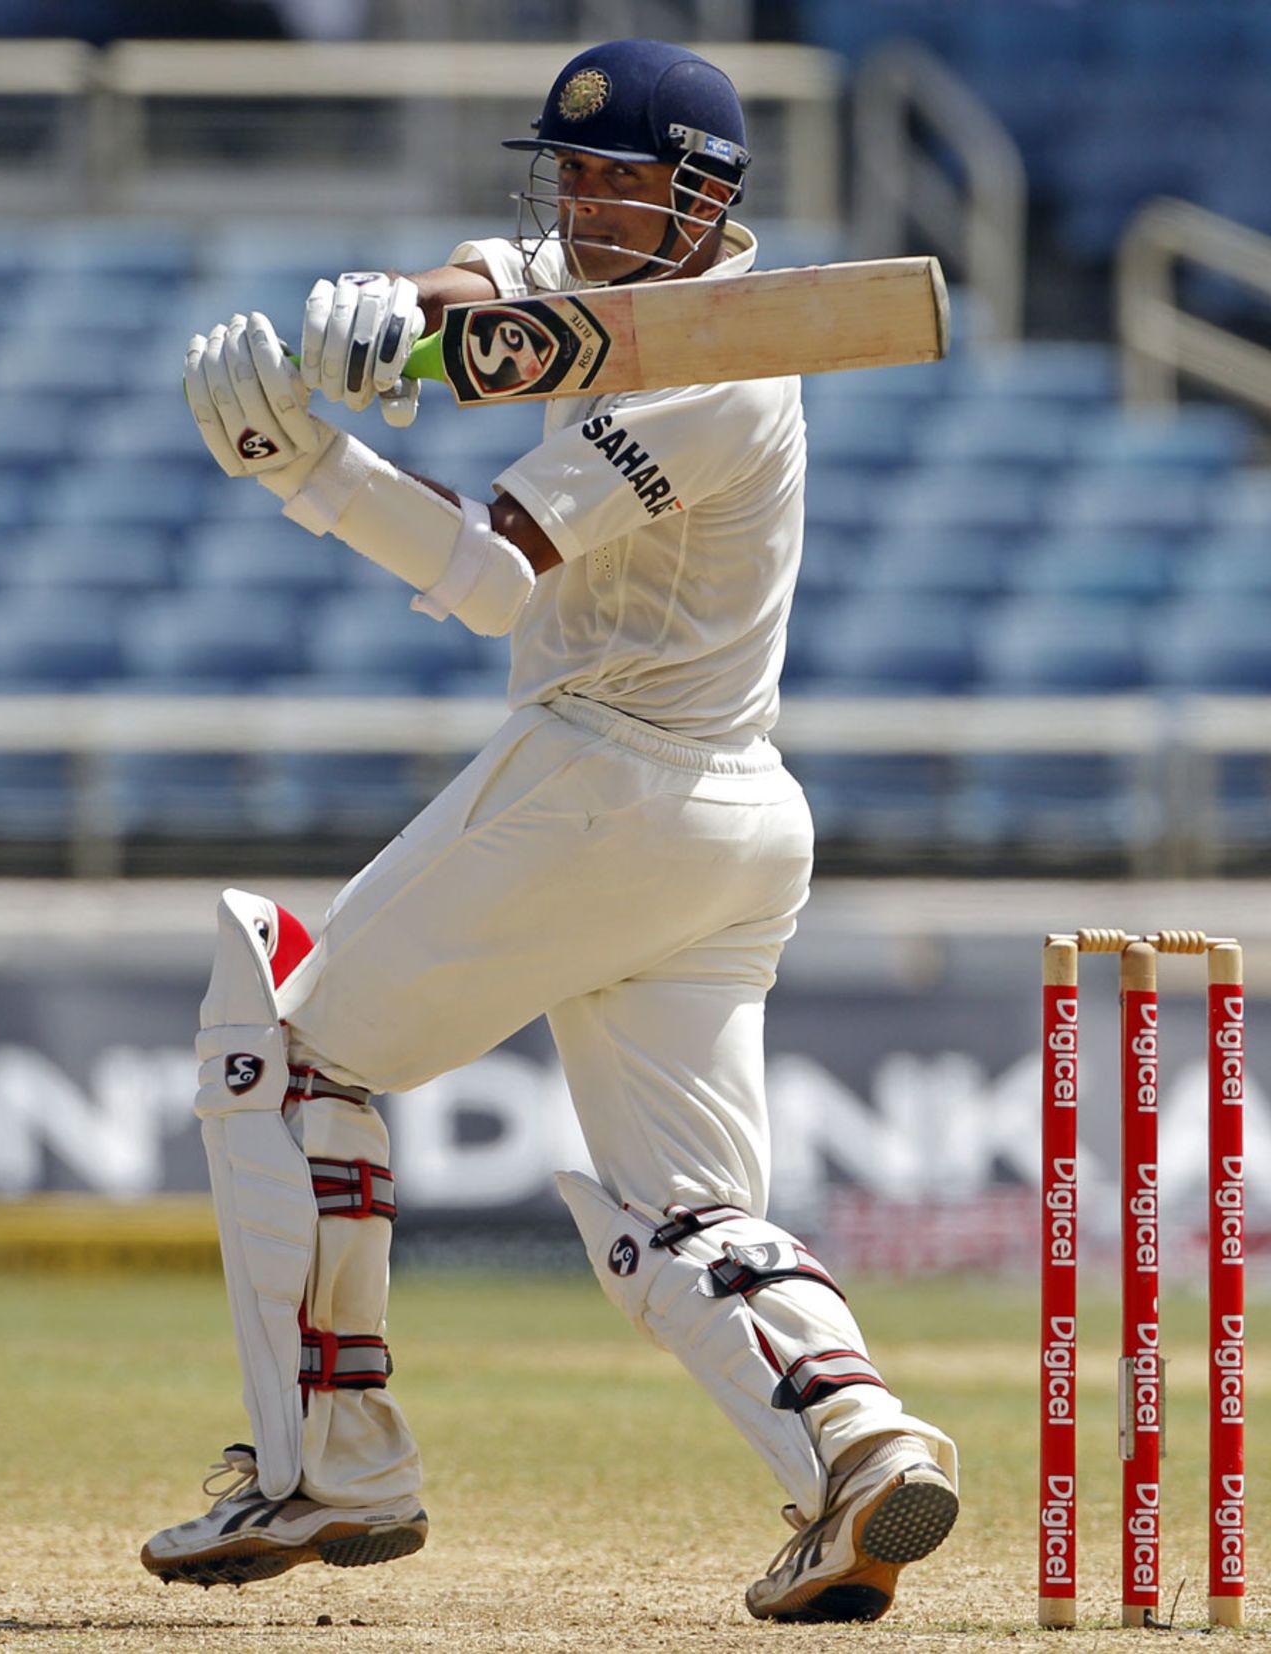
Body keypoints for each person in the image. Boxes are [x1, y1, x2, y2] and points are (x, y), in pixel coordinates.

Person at [142, 38, 959, 1624]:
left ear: (702, 199)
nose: (582, 207)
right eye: (567, 174)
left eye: (616, 180)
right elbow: (483, 293)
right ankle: (862, 1452)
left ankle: (332, 1465)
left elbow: (490, 576)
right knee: (683, 1213)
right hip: (729, 825)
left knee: (287, 1050)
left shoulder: (725, 367)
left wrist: (308, 468)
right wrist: (389, 307)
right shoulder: (599, 279)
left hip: (608, 782)